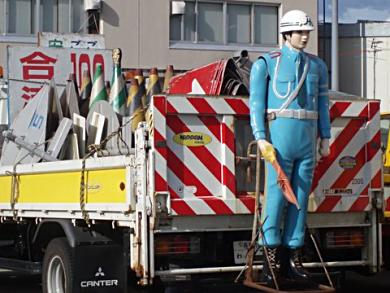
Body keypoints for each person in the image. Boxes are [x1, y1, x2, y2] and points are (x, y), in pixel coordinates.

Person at [249, 10, 331, 287]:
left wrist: (326, 137)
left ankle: (293, 258)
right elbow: (257, 105)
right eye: (299, 31)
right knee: (275, 197)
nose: (305, 35)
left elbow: (322, 104)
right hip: (279, 141)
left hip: (307, 141)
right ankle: (269, 257)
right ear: (286, 33)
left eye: (307, 31)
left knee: (300, 198)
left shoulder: (317, 66)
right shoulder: (266, 64)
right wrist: (261, 137)